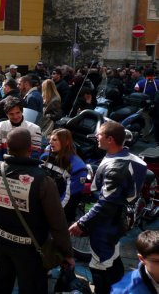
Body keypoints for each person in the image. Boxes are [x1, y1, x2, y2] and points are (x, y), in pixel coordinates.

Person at [0, 128, 74, 294]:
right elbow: (58, 223)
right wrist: (67, 252)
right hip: (30, 250)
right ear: (31, 149)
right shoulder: (43, 181)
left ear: (7, 147)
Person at [69, 121, 148, 294]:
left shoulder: (116, 169)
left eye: (99, 134)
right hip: (116, 222)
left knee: (100, 265)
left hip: (106, 225)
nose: (96, 137)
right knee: (112, 258)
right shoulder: (124, 157)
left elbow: (106, 204)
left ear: (110, 139)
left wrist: (82, 223)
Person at [42, 128, 87, 223]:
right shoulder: (46, 156)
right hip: (43, 206)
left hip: (60, 213)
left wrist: (53, 214)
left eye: (54, 140)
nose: (50, 142)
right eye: (50, 139)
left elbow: (68, 197)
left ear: (66, 142)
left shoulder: (77, 167)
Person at [0, 96, 42, 161]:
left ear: (22, 111)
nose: (15, 117)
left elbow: (35, 154)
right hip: (4, 167)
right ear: (6, 114)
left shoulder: (35, 129)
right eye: (11, 114)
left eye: (17, 113)